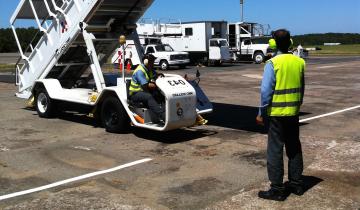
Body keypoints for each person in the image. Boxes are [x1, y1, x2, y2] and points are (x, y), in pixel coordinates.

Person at [256, 29, 305, 201]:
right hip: (293, 112)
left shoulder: (272, 63)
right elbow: (302, 87)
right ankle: (296, 184)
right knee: (294, 148)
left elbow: (265, 91)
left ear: (274, 43)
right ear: (290, 42)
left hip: (276, 114)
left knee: (275, 151)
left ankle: (277, 189)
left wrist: (261, 111)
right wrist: (297, 105)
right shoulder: (299, 62)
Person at [129, 54, 165, 123]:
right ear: (146, 62)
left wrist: (160, 76)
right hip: (135, 93)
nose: (153, 63)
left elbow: (156, 75)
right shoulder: (140, 71)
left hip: (143, 91)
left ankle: (167, 112)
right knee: (149, 97)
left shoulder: (149, 69)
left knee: (160, 95)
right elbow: (146, 85)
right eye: (152, 62)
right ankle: (163, 116)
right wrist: (158, 85)